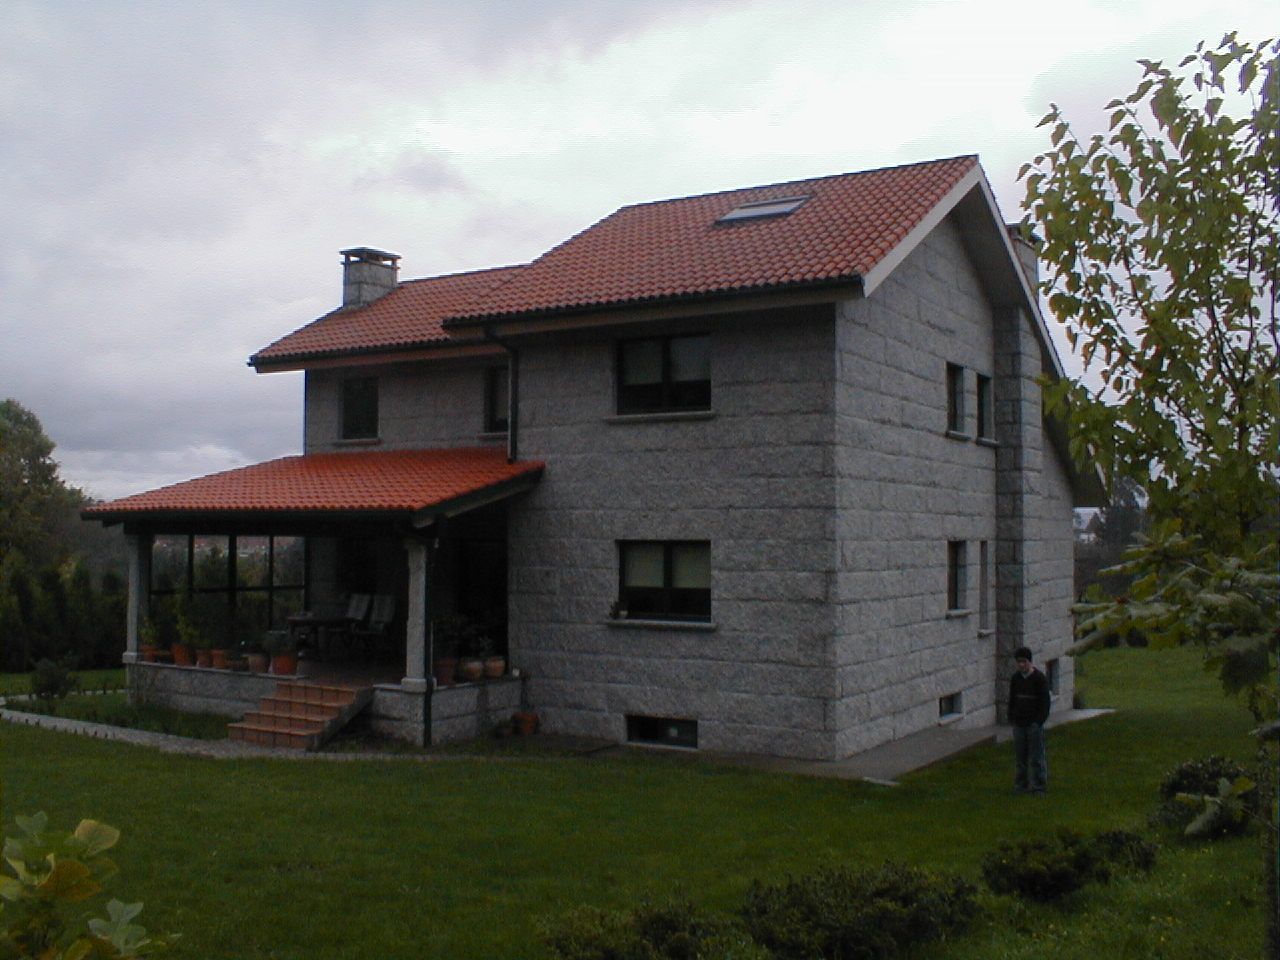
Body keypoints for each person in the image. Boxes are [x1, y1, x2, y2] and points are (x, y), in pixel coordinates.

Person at [1009, 645, 1050, 794]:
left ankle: (1039, 786)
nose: (1021, 665)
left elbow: (1045, 703)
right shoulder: (1015, 679)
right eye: (1019, 662)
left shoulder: (1039, 679)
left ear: (1029, 662)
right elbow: (1012, 699)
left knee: (1036, 757)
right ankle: (1021, 785)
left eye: (1024, 661)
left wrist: (1038, 722)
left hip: (1034, 724)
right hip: (1019, 723)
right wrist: (1012, 718)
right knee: (1021, 758)